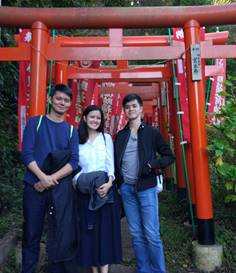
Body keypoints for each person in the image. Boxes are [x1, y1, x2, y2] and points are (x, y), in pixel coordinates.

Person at [21, 84, 79, 273]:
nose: (62, 102)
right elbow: (27, 154)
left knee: (60, 234)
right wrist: (41, 177)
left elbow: (74, 161)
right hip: (33, 187)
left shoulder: (71, 130)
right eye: (59, 98)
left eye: (66, 100)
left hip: (58, 190)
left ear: (70, 104)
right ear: (50, 99)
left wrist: (48, 180)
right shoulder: (35, 123)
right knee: (31, 234)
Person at [114, 94, 175, 273]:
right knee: (136, 233)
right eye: (127, 107)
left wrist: (151, 164)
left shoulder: (152, 132)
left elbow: (169, 156)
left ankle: (158, 270)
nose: (131, 109)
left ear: (141, 109)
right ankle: (143, 269)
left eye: (134, 106)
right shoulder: (121, 135)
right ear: (124, 111)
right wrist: (119, 183)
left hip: (146, 188)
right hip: (127, 189)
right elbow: (117, 161)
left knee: (151, 234)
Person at [73, 105, 122, 273]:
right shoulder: (76, 138)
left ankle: (105, 270)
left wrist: (109, 183)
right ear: (85, 118)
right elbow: (73, 165)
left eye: (98, 118)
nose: (95, 120)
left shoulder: (106, 137)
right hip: (85, 192)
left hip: (104, 191)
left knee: (105, 232)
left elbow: (110, 164)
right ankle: (94, 270)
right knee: (89, 232)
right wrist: (78, 181)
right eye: (92, 117)